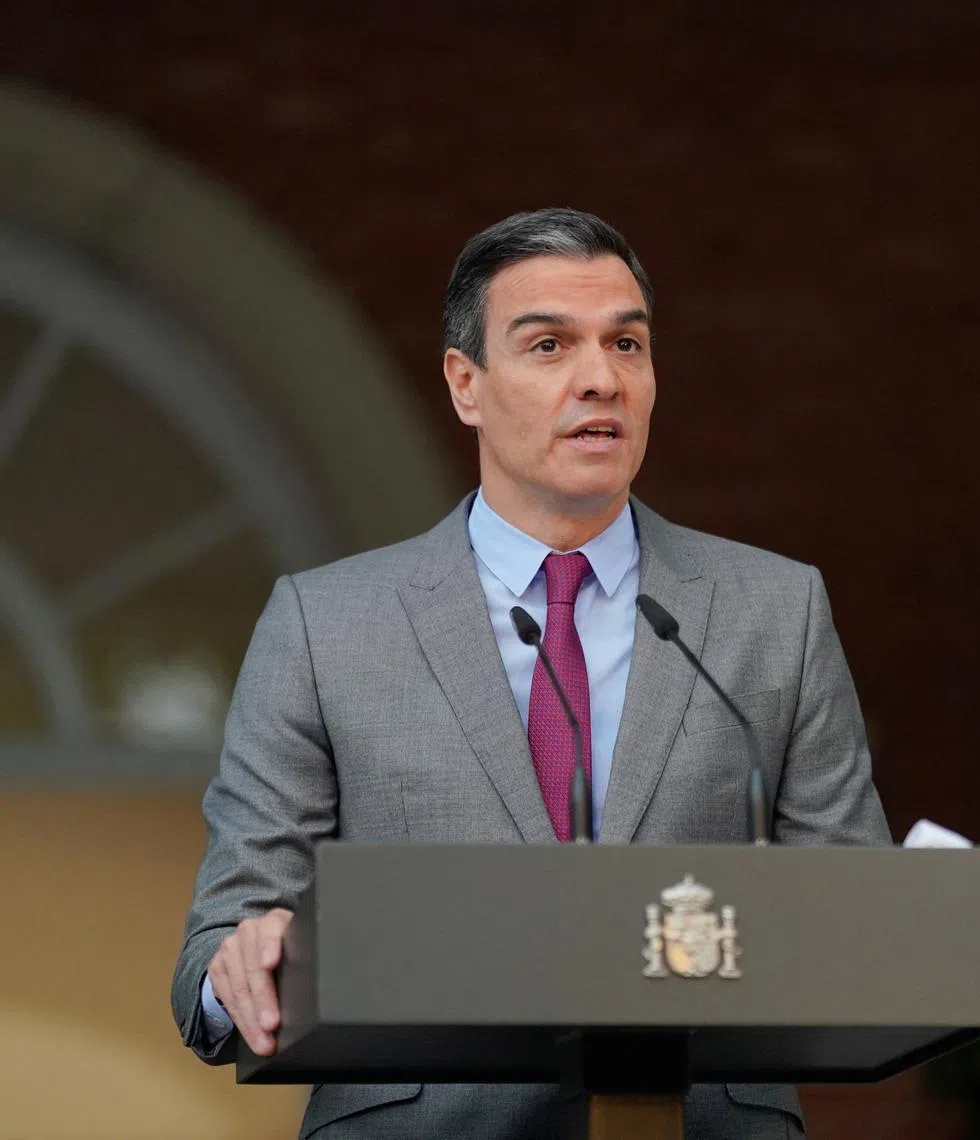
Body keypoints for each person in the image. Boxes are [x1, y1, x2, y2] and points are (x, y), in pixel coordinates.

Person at [172, 208, 891, 1139]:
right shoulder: (325, 625)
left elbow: (862, 918)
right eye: (549, 344)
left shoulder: (772, 612)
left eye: (626, 344)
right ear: (465, 383)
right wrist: (249, 963)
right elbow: (214, 962)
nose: (601, 379)